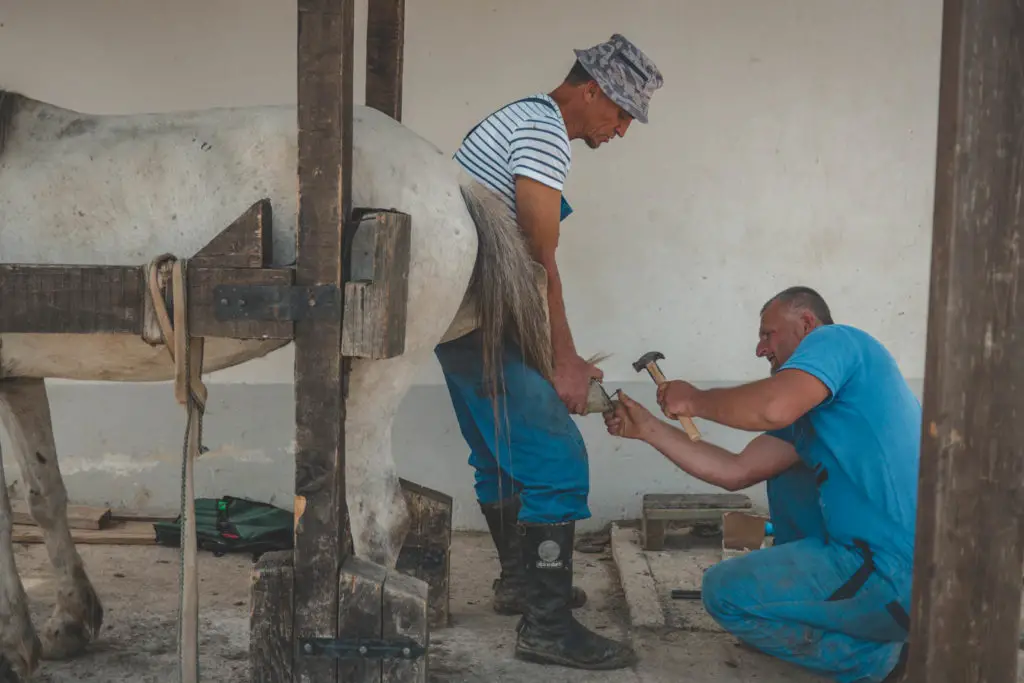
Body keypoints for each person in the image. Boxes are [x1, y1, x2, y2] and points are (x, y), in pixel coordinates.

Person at [434, 34, 664, 670]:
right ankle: (548, 627)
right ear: (591, 89)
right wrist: (562, 359)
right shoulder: (542, 131)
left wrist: (558, 349)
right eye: (619, 114)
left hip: (459, 321)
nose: (620, 131)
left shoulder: (516, 118)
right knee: (558, 463)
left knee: (500, 458)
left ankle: (520, 585)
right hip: (484, 323)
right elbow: (539, 257)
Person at [603, 286, 920, 683]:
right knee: (786, 475)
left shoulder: (836, 340)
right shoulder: (813, 414)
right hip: (901, 578)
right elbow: (736, 470)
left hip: (894, 573)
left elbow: (771, 406)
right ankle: (870, 632)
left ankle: (874, 659)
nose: (759, 349)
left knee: (723, 594)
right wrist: (648, 428)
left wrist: (696, 399)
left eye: (767, 334)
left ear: (806, 325)